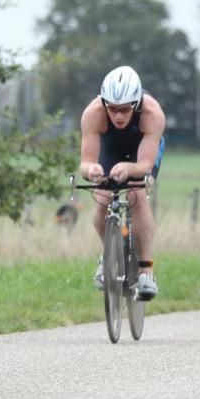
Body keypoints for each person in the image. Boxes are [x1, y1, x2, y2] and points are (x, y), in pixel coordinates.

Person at [77, 65, 166, 301]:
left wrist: (129, 168)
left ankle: (146, 270)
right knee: (102, 198)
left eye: (124, 110)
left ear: (136, 104)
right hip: (110, 146)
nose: (118, 116)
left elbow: (145, 166)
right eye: (112, 109)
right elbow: (85, 163)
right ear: (104, 103)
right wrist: (93, 170)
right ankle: (108, 254)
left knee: (136, 193)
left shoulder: (152, 114)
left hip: (142, 149)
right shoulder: (93, 113)